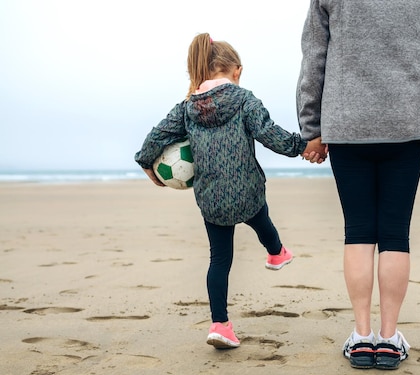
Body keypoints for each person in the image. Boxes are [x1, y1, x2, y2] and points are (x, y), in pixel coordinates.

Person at [135, 33, 326, 349]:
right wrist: (304, 146)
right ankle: (277, 252)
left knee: (219, 260)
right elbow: (271, 136)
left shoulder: (187, 108)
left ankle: (220, 325)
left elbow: (155, 138)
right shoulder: (244, 99)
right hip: (247, 193)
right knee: (261, 219)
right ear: (235, 70)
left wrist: (146, 163)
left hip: (211, 202)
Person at [297, 0, 420, 370]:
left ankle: (362, 335)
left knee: (358, 231)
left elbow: (314, 56)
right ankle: (388, 338)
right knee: (395, 234)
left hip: (347, 121)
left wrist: (312, 127)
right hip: (408, 119)